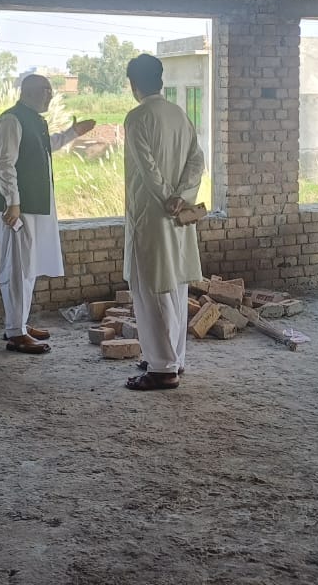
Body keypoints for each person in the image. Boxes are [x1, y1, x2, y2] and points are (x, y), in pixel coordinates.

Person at [0, 73, 95, 354]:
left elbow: (47, 147)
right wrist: (12, 201)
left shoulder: (34, 120)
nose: (50, 95)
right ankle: (15, 332)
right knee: (17, 266)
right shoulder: (11, 121)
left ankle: (19, 323)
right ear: (29, 91)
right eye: (45, 90)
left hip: (31, 205)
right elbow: (4, 163)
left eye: (50, 90)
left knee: (28, 265)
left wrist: (72, 133)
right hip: (18, 207)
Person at [121, 54, 205, 391]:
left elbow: (147, 168)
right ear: (160, 80)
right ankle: (174, 358)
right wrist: (182, 196)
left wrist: (167, 196)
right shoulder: (179, 114)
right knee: (176, 286)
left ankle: (162, 368)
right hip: (178, 214)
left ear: (133, 84)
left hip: (152, 215)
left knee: (151, 288)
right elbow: (197, 160)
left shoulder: (137, 117)